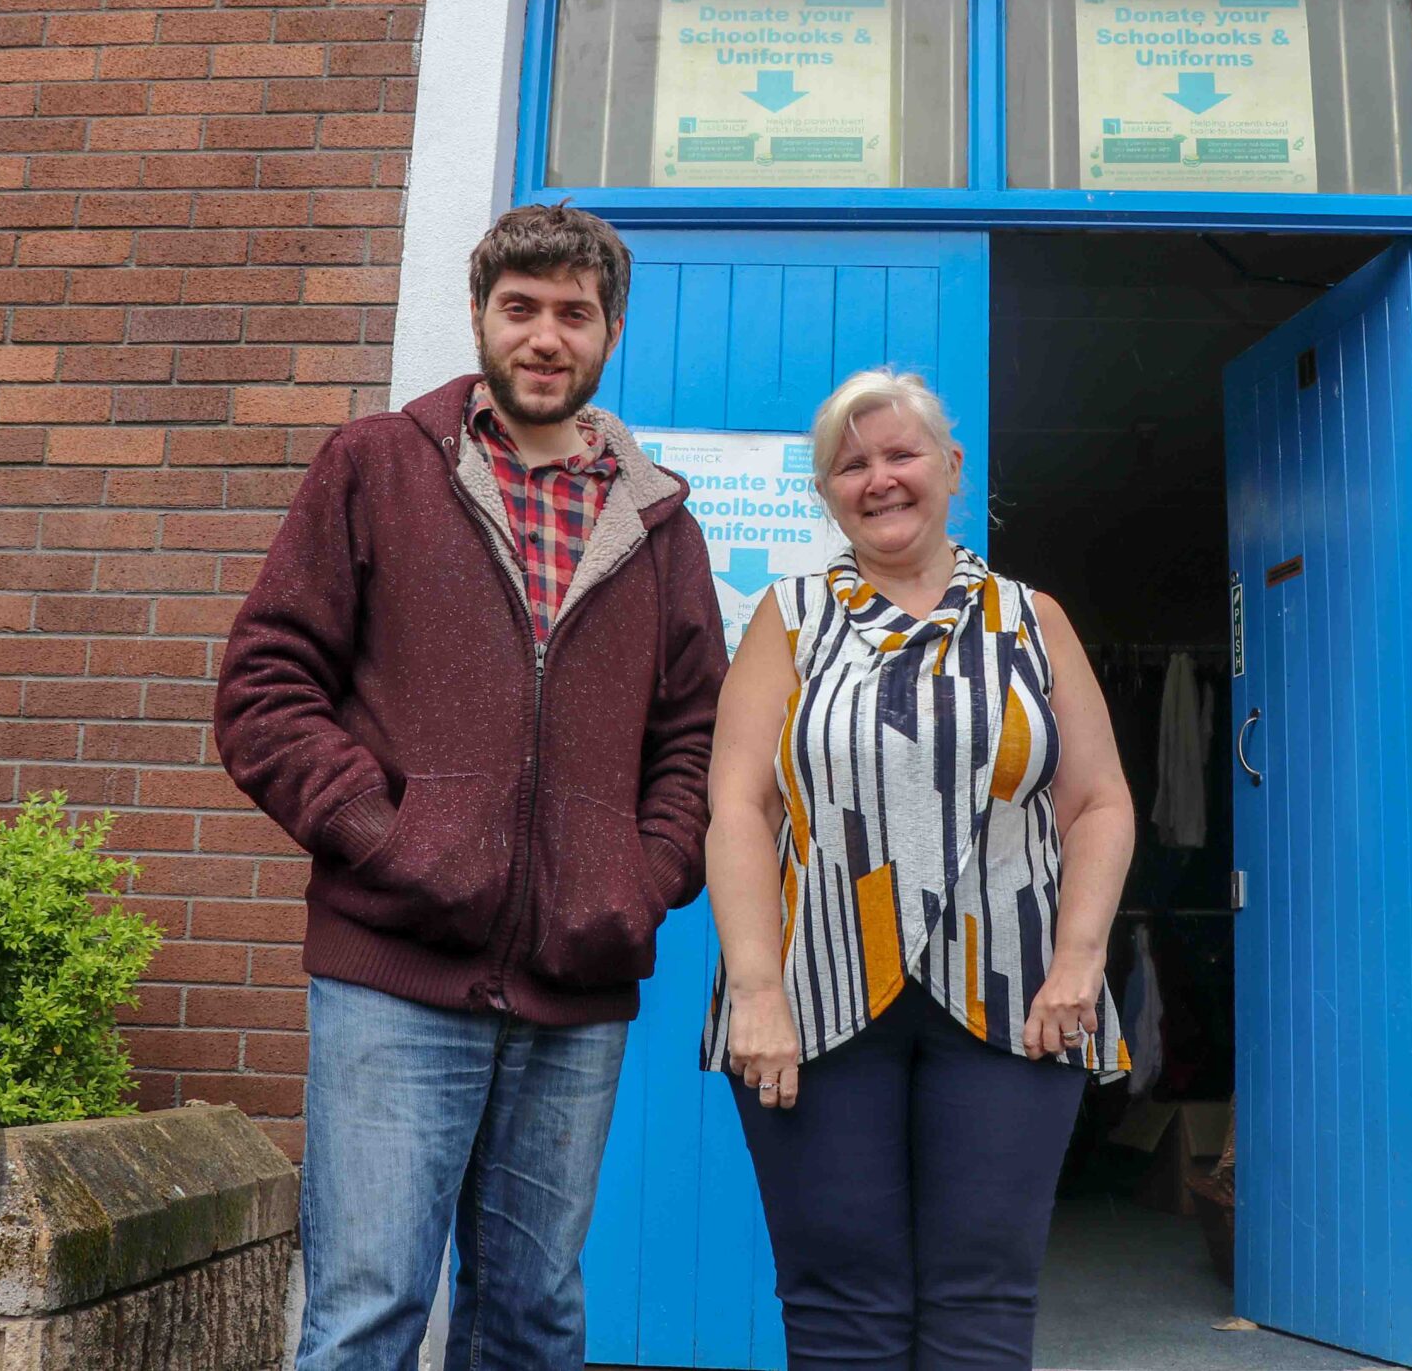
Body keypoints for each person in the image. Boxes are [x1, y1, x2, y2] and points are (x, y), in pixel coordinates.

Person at [214, 202, 727, 1371]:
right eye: (522, 309)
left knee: (533, 1323)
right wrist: (391, 842)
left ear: (609, 332)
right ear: (483, 319)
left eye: (574, 314)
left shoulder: (660, 524)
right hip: (394, 973)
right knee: (364, 1314)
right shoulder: (376, 467)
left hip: (577, 983)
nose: (546, 336)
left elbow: (694, 735)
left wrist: (637, 882)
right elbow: (265, 687)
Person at [701, 369, 1137, 1371]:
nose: (879, 479)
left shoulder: (1033, 618)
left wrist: (1078, 959)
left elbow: (1098, 802)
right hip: (815, 996)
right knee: (839, 1307)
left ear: (951, 466)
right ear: (826, 493)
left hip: (1016, 996)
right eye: (851, 465)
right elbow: (739, 807)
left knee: (982, 1304)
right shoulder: (791, 617)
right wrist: (757, 991)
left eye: (900, 454)